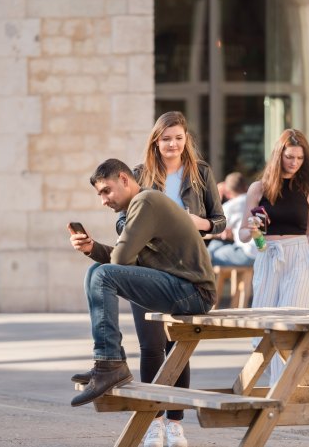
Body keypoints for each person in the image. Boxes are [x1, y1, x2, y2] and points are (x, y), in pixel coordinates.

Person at [68, 159, 215, 419]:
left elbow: (122, 261)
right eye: (99, 194)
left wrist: (113, 259)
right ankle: (106, 362)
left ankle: (110, 364)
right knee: (95, 272)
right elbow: (127, 263)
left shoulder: (145, 202)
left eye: (106, 191)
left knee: (101, 275)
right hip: (178, 286)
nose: (103, 200)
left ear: (125, 179)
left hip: (193, 291)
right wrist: (93, 248)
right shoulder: (140, 206)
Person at [112, 111, 223, 447]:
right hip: (146, 269)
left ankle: (175, 423)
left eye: (177, 137)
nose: (172, 144)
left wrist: (194, 222)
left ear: (185, 139)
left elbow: (219, 223)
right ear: (155, 141)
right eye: (165, 138)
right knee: (151, 346)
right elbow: (121, 222)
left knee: (179, 348)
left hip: (186, 271)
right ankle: (153, 422)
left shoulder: (200, 173)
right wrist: (144, 228)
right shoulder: (139, 174)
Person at [237, 129, 309, 383]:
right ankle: (277, 386)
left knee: (292, 321)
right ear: (278, 155)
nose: (294, 163)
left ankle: (284, 388)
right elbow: (241, 234)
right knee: (266, 324)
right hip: (268, 256)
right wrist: (251, 229)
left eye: (300, 158)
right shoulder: (258, 188)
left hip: (300, 258)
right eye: (290, 156)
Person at [208, 172, 257, 267]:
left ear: (227, 192)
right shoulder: (255, 200)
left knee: (210, 256)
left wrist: (216, 196)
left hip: (248, 253)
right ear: (245, 187)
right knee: (216, 245)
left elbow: (212, 225)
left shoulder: (231, 205)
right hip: (262, 251)